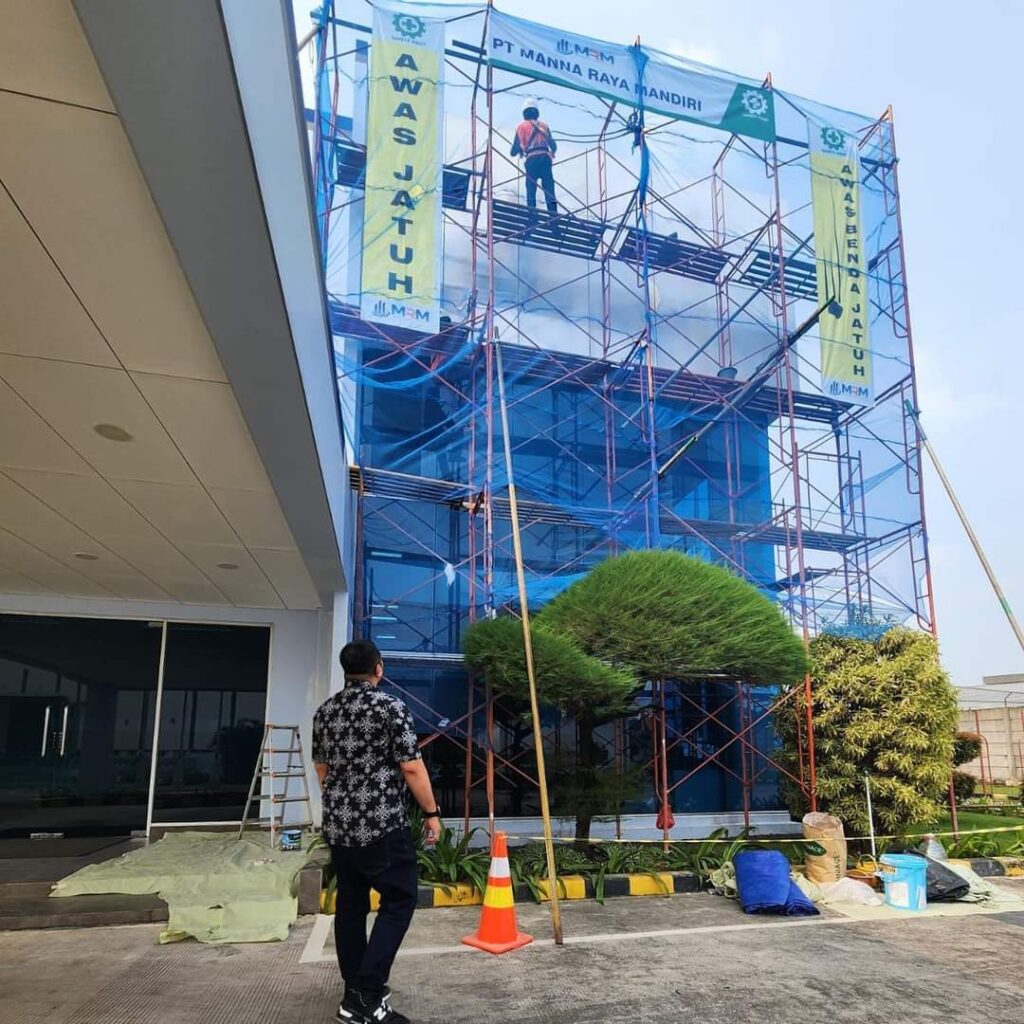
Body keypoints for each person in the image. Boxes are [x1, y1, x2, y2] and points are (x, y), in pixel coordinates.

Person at [312, 640, 443, 1024]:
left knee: (350, 906)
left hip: (339, 826)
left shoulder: (325, 712)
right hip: (381, 824)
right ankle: (366, 997)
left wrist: (342, 800)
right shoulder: (390, 707)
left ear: (345, 670)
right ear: (378, 669)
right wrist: (431, 813)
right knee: (399, 900)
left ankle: (354, 990)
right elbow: (412, 767)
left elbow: (322, 768)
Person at [510, 99, 558, 215]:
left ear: (524, 112)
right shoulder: (544, 126)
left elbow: (513, 152)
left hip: (531, 160)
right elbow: (553, 146)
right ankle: (553, 215)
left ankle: (532, 214)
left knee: (531, 188)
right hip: (545, 159)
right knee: (549, 188)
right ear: (536, 112)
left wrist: (521, 148)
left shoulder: (520, 127)